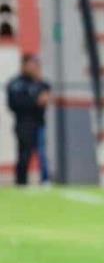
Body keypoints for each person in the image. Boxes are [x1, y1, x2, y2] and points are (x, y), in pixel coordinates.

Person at [6, 53, 50, 186]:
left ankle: (45, 180)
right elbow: (15, 104)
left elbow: (46, 95)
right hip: (23, 124)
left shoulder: (40, 83)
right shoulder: (16, 84)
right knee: (24, 154)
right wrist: (34, 101)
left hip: (39, 123)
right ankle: (21, 181)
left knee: (42, 153)